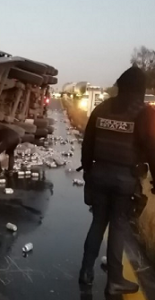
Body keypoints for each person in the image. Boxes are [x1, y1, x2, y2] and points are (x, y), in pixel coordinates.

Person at [79, 66, 155, 295]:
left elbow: (87, 143)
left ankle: (86, 272)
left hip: (99, 176)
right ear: (140, 89)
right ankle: (114, 281)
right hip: (125, 181)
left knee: (98, 223)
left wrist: (88, 174)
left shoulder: (101, 109)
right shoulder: (145, 112)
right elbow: (152, 149)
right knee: (119, 227)